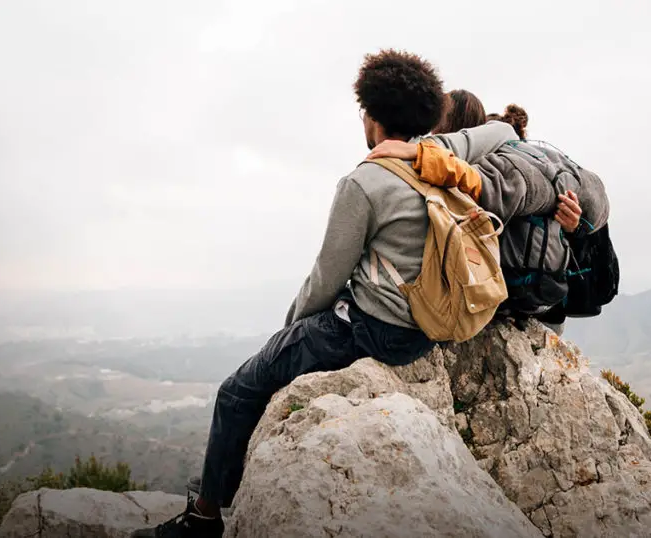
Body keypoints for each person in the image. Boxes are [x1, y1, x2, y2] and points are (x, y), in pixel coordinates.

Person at [130, 49, 516, 538]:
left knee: (236, 391)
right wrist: (424, 151)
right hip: (425, 331)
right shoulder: (441, 157)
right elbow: (505, 131)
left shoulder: (364, 181)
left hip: (371, 332)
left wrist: (287, 332)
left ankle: (204, 519)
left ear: (372, 117)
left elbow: (325, 280)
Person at [368, 99, 608, 336]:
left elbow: (488, 185)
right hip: (545, 301)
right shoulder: (542, 164)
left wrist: (422, 155)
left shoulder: (501, 164)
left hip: (511, 297)